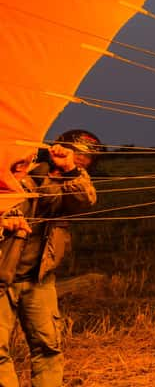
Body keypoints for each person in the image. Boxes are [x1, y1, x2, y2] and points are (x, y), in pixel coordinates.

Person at [0, 129, 101, 387]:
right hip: (2, 278)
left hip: (39, 278)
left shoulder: (73, 180)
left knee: (48, 347)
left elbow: (86, 200)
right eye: (77, 155)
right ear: (57, 147)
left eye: (86, 160)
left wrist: (70, 169)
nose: (81, 162)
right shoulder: (18, 169)